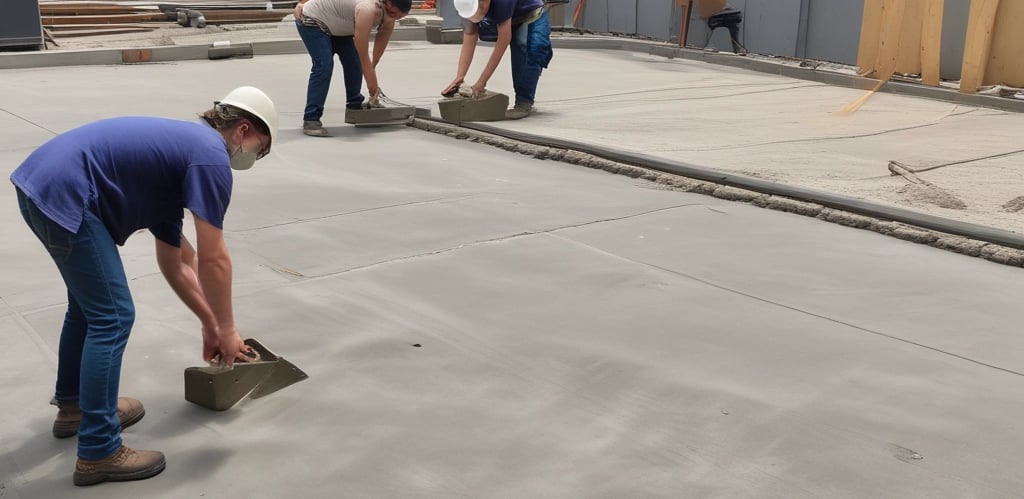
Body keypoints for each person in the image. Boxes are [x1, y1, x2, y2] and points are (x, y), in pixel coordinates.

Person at [9, 86, 278, 486]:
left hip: (41, 184)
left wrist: (208, 323)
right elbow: (215, 258)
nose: (256, 157)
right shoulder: (209, 158)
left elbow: (178, 261)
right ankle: (99, 451)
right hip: (65, 191)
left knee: (87, 309)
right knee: (113, 316)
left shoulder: (179, 158)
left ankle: (75, 409)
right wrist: (227, 329)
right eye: (261, 148)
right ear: (242, 131)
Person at [294, 0, 413, 136]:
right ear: (386, 3)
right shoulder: (367, 9)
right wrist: (373, 88)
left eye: (398, 17)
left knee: (353, 62)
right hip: (314, 21)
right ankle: (311, 119)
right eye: (392, 14)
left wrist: (372, 69)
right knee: (324, 66)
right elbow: (363, 53)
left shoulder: (390, 16)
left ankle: (354, 106)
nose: (393, 18)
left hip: (339, 27)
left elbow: (376, 53)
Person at [443, 0, 553, 120]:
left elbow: (503, 42)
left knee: (530, 47)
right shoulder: (467, 4)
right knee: (519, 42)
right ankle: (524, 96)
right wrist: (460, 77)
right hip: (508, 17)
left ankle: (524, 101)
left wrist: (481, 82)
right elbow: (470, 35)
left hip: (531, 15)